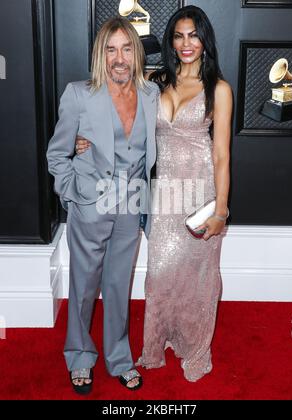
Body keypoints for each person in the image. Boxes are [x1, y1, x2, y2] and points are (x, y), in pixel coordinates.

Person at [76, 5, 232, 382]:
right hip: (162, 193)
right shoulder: (155, 81)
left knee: (198, 275)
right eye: (179, 36)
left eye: (193, 34)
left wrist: (221, 210)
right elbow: (116, 103)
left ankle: (195, 348)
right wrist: (89, 139)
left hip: (200, 191)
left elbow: (222, 154)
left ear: (205, 39)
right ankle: (158, 340)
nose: (186, 43)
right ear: (171, 41)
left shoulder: (219, 89)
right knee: (160, 274)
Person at [46, 16, 159, 394]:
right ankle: (79, 355)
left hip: (131, 204)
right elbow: (57, 154)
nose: (119, 58)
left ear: (136, 53)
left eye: (127, 48)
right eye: (111, 49)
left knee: (116, 286)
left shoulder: (150, 94)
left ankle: (119, 357)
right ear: (100, 54)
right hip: (90, 205)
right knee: (83, 286)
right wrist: (73, 195)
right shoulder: (79, 94)